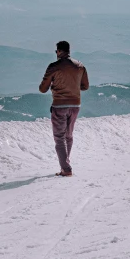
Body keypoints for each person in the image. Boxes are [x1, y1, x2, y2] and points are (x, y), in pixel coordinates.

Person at [39, 41, 89, 177]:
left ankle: (66, 169)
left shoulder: (53, 67)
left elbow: (42, 89)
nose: (56, 54)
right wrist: (72, 86)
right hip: (75, 105)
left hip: (59, 105)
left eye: (56, 51)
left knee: (59, 137)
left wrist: (56, 86)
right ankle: (66, 164)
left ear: (59, 51)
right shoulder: (80, 66)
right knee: (69, 136)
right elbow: (85, 86)